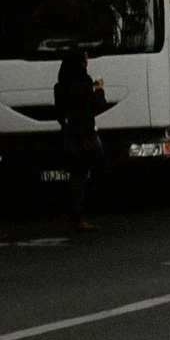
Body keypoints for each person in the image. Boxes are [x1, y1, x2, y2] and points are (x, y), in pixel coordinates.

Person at [53, 46, 106, 232]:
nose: (87, 62)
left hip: (70, 136)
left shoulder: (60, 87)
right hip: (86, 135)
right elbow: (97, 106)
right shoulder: (85, 83)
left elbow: (59, 114)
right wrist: (99, 89)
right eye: (85, 59)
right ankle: (80, 216)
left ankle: (76, 215)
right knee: (84, 174)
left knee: (75, 176)